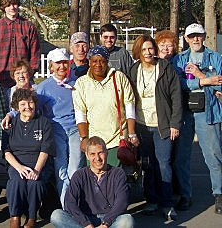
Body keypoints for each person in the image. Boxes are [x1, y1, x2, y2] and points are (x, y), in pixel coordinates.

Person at [127, 35, 182, 220]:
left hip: (163, 125)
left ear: (155, 50)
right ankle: (152, 200)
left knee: (164, 164)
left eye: (150, 48)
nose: (147, 53)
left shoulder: (166, 69)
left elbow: (176, 97)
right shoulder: (133, 70)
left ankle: (167, 203)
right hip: (142, 125)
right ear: (138, 52)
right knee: (148, 165)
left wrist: (175, 123)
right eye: (143, 50)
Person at [172, 23, 222, 214]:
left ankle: (219, 194)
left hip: (208, 113)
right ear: (186, 38)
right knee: (182, 158)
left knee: (214, 156)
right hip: (185, 113)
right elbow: (178, 84)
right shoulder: (179, 60)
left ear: (204, 36)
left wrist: (201, 74)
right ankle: (186, 195)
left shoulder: (216, 58)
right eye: (191, 36)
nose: (195, 39)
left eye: (199, 36)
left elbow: (221, 86)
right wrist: (206, 81)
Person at [34, 48, 85, 207]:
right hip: (56, 130)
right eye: (58, 63)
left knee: (75, 167)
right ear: (51, 66)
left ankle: (75, 202)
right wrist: (12, 115)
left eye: (64, 62)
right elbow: (31, 107)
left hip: (75, 129)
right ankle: (66, 206)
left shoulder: (76, 82)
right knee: (61, 169)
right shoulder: (44, 87)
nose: (62, 66)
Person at [72, 46, 137, 166]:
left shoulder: (119, 77)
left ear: (107, 62)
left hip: (117, 140)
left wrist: (132, 133)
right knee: (97, 178)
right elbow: (80, 113)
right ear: (89, 62)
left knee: (116, 178)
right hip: (94, 142)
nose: (98, 65)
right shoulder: (81, 83)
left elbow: (130, 107)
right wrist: (84, 137)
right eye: (94, 61)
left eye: (102, 61)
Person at [50, 136, 134, 228]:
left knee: (127, 220)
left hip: (110, 220)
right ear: (87, 155)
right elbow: (70, 202)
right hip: (86, 220)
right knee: (56, 215)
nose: (97, 158)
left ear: (106, 152)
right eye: (92, 154)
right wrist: (86, 224)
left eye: (100, 153)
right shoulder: (79, 175)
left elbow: (122, 202)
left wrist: (106, 223)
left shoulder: (118, 173)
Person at [2, 89, 55, 228]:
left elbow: (46, 150)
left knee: (34, 183)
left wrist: (36, 170)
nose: (28, 107)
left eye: (31, 103)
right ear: (16, 106)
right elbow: (6, 151)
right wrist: (19, 168)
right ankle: (15, 217)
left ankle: (32, 217)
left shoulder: (43, 123)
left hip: (39, 164)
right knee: (16, 182)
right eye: (23, 104)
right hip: (16, 164)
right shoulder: (10, 124)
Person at [0, 0, 40, 91]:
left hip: (24, 80)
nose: (12, 7)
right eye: (8, 5)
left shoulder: (29, 26)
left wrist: (30, 73)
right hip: (2, 80)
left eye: (14, 4)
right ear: (3, 7)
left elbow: (35, 54)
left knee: (26, 106)